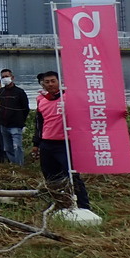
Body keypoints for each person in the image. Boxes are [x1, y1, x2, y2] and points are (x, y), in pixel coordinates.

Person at [32, 70, 91, 210]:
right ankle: (59, 204)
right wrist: (36, 143)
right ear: (43, 84)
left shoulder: (69, 97)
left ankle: (83, 206)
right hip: (47, 143)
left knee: (72, 176)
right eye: (47, 82)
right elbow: (39, 123)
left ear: (59, 82)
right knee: (51, 177)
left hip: (65, 143)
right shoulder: (41, 99)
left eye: (53, 81)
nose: (50, 84)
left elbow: (90, 109)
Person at [0, 69, 30, 165]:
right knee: (7, 147)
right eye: (3, 77)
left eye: (7, 76)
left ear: (12, 77)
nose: (5, 78)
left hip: (16, 124)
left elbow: (25, 108)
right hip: (4, 124)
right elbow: (0, 107)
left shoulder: (19, 92)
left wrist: (21, 121)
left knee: (17, 146)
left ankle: (20, 165)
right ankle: (13, 163)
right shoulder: (1, 91)